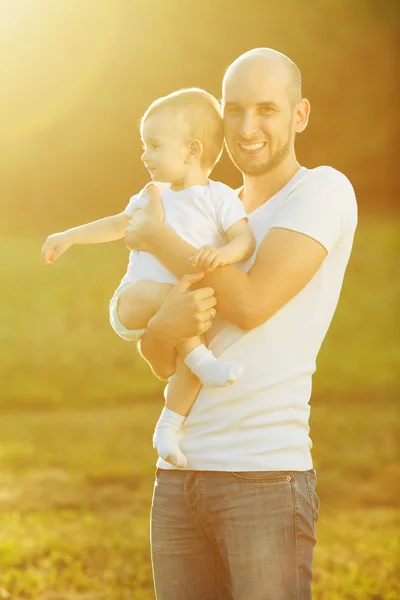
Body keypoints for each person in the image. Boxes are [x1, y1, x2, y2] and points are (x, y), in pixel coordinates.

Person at [123, 48, 358, 599]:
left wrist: (156, 236)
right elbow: (162, 359)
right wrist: (160, 327)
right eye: (234, 110)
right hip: (178, 477)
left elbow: (251, 304)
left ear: (299, 115)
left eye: (267, 110)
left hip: (264, 478)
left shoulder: (321, 190)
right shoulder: (212, 210)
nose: (247, 128)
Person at [41, 88, 256, 469]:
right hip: (134, 300)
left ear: (191, 151)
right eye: (144, 145)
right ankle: (201, 359)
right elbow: (114, 224)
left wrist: (223, 254)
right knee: (185, 311)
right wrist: (69, 236)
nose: (144, 155)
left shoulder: (221, 198)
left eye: (154, 145)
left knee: (192, 356)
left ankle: (168, 430)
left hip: (179, 313)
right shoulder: (151, 195)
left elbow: (244, 239)